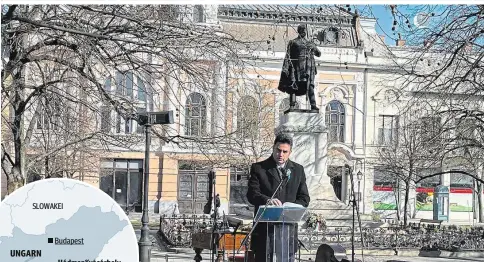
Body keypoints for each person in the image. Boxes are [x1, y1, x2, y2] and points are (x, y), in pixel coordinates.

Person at [246, 133, 310, 262]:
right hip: (264, 231)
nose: (281, 154)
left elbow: (304, 198)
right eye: (278, 150)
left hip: (288, 231)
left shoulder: (298, 170)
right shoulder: (259, 168)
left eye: (284, 151)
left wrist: (290, 208)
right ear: (273, 148)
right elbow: (252, 194)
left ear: (290, 152)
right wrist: (267, 200)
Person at [278, 24, 321, 111]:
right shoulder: (293, 42)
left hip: (308, 68)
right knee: (294, 85)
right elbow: (288, 55)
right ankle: (292, 105)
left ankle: (313, 105)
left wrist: (313, 48)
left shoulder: (310, 43)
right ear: (299, 31)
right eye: (302, 30)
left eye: (305, 30)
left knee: (310, 86)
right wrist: (286, 67)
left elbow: (319, 54)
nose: (303, 32)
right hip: (296, 67)